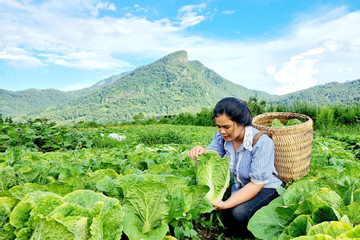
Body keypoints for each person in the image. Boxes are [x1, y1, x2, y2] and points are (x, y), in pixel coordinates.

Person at [188, 97, 283, 238]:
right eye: (218, 126)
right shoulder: (221, 138)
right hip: (242, 186)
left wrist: (226, 204)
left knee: (238, 213)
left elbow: (256, 184)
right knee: (227, 215)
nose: (222, 131)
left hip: (266, 187)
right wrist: (199, 155)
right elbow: (210, 161)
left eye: (226, 127)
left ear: (241, 123)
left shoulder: (262, 142)